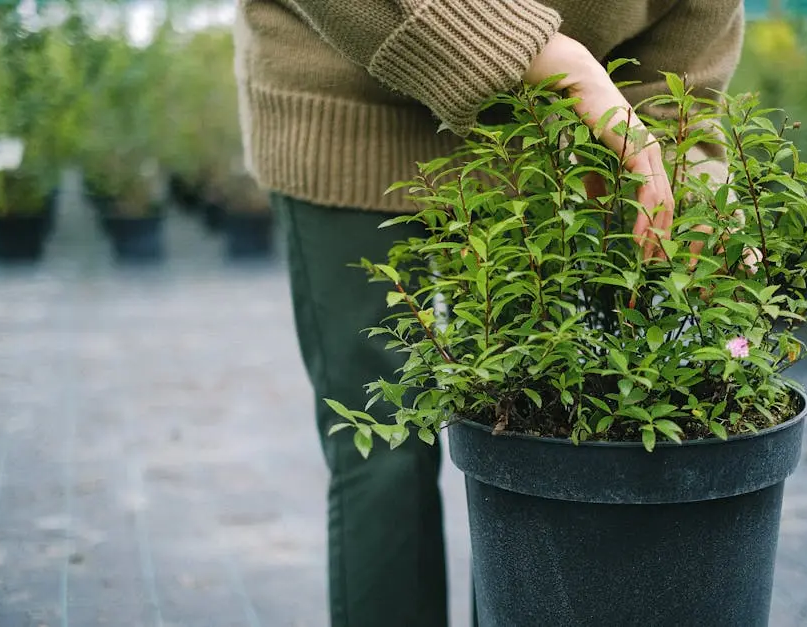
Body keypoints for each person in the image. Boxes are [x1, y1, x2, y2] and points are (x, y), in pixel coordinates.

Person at [233, 2, 744, 625]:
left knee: (534, 448)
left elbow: (677, 83)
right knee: (381, 452)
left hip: (546, 146)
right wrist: (541, 54)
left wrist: (690, 186)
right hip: (347, 109)